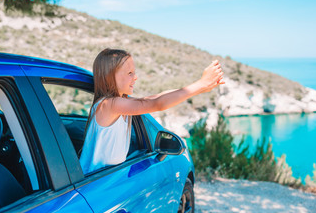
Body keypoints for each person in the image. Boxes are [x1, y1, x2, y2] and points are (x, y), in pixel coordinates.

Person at [79, 48, 225, 174]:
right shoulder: (109, 104)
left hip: (105, 181)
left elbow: (157, 97)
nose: (135, 77)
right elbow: (157, 103)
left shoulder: (119, 103)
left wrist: (201, 87)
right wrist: (200, 85)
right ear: (109, 76)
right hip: (92, 185)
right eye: (129, 73)